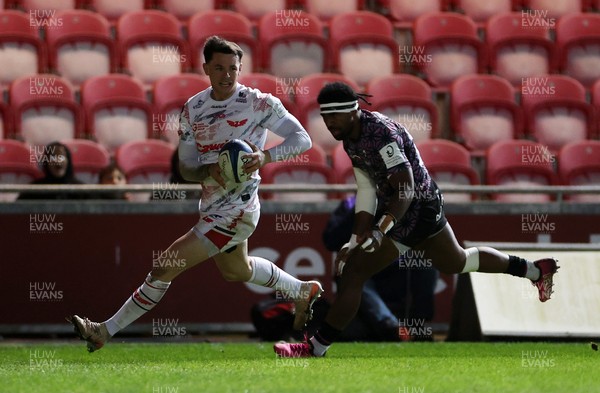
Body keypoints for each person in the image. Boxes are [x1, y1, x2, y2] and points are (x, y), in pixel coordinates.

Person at [67, 36, 323, 352]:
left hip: (237, 210)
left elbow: (302, 139)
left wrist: (265, 157)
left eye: (233, 68)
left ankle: (104, 330)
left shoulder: (258, 102)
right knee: (237, 271)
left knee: (164, 265)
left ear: (240, 68)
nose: (227, 75)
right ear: (206, 68)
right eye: (219, 67)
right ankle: (300, 289)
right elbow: (187, 168)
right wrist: (209, 171)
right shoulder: (194, 109)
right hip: (212, 205)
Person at [274, 82, 559, 358]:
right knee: (457, 261)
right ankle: (535, 270)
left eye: (334, 115)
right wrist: (353, 239)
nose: (329, 123)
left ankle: (315, 347)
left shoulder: (379, 133)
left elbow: (406, 187)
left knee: (354, 273)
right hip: (418, 205)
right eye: (325, 117)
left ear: (352, 110)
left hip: (415, 207)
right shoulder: (351, 136)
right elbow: (366, 189)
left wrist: (380, 230)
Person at [323, 195, 438, 342]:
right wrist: (362, 210)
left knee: (425, 263)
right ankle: (393, 329)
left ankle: (420, 328)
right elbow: (330, 240)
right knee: (349, 273)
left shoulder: (404, 202)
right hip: (364, 269)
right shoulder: (351, 204)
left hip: (396, 271)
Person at [18, 141, 88, 200]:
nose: (57, 160)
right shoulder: (34, 190)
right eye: (53, 157)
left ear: (68, 161)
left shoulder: (81, 190)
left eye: (61, 156)